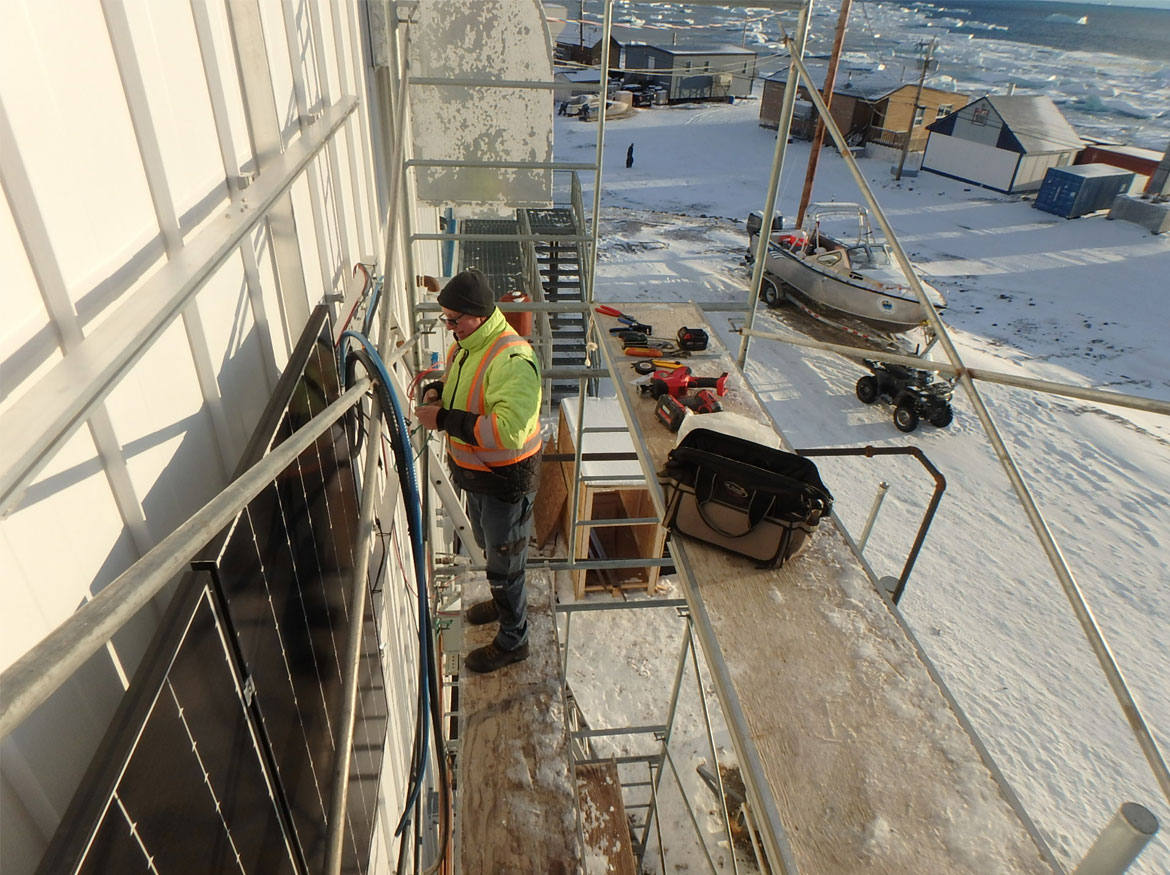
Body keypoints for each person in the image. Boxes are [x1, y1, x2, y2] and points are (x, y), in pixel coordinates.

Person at [415, 269, 543, 673]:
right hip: (479, 480)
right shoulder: (466, 346)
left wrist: (445, 419)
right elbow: (460, 389)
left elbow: (508, 430)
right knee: (494, 553)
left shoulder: (513, 359)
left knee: (508, 565)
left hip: (505, 486)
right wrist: (438, 392)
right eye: (446, 319)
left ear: (479, 315)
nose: (449, 327)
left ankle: (514, 640)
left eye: (454, 319)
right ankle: (501, 594)